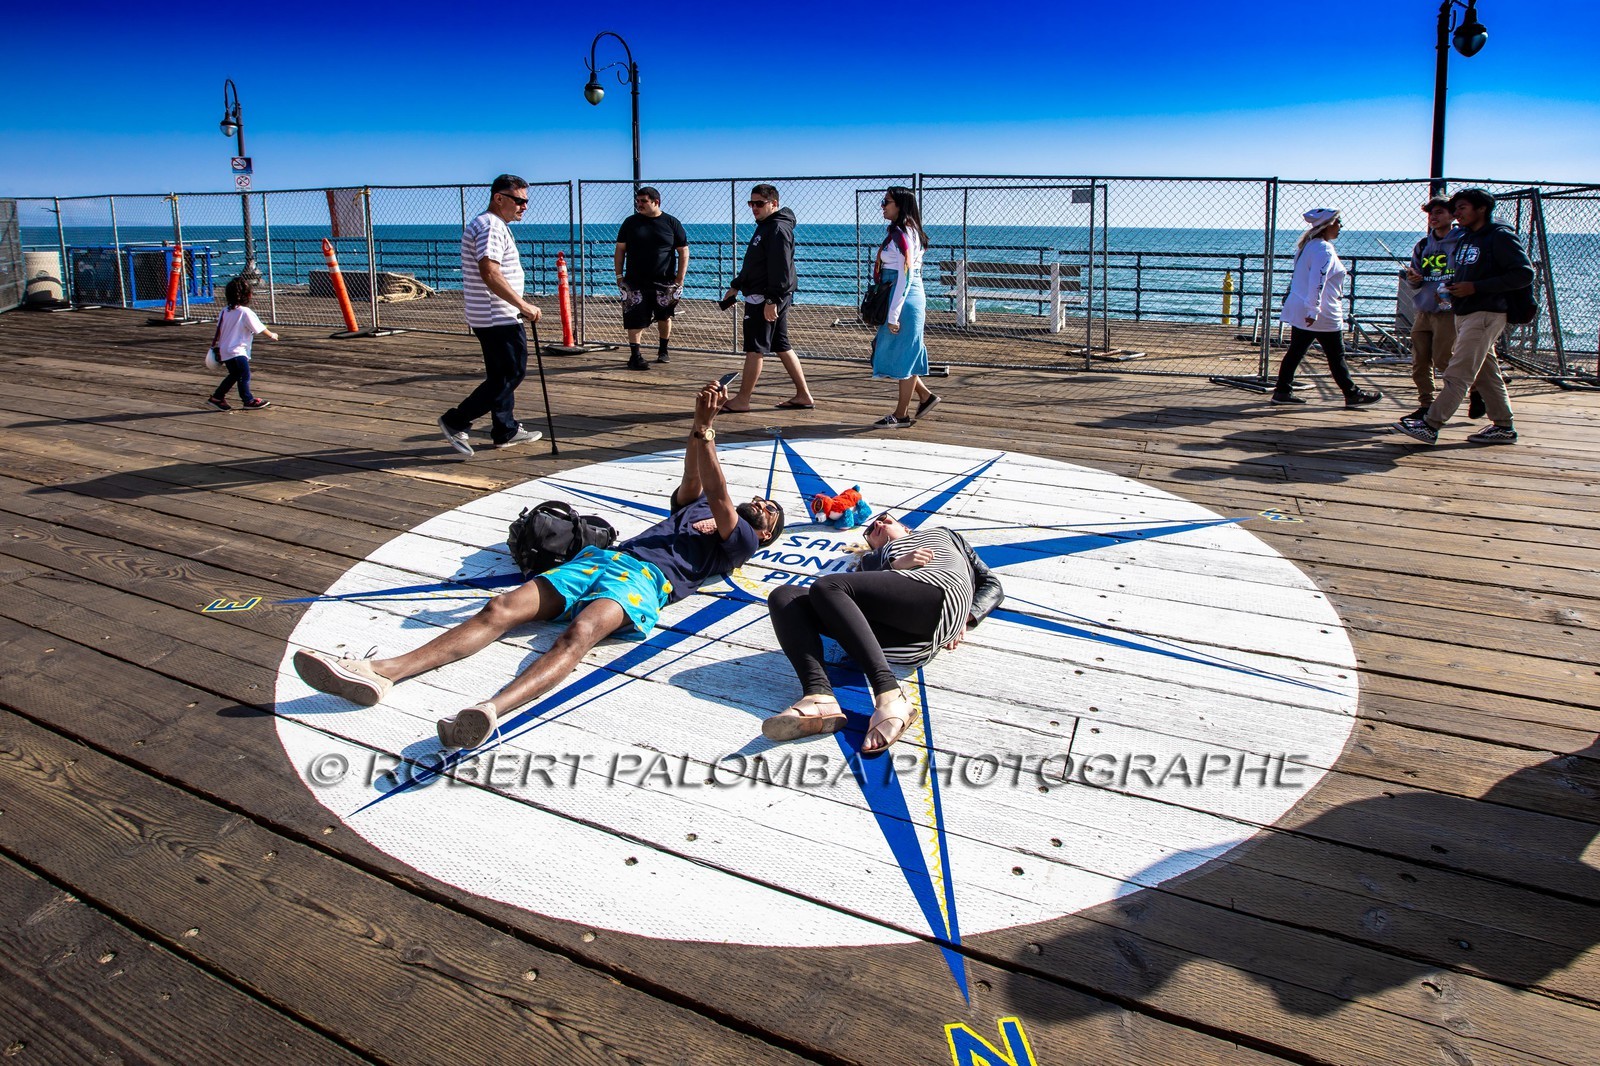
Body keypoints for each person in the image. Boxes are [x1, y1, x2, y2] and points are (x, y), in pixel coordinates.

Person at [296, 382, 784, 751]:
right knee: (500, 607)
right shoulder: (692, 510)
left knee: (580, 634)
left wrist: (707, 428)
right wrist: (697, 423)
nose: (760, 503)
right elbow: (695, 477)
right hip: (604, 558)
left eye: (769, 512)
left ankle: (489, 710)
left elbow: (722, 497)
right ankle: (382, 672)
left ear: (763, 535)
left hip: (644, 581)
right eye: (760, 499)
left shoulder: (739, 540)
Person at [763, 513, 1003, 756]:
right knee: (784, 596)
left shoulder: (943, 534)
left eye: (885, 519)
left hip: (938, 598)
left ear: (905, 527)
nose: (878, 524)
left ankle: (889, 695)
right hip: (900, 642)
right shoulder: (870, 562)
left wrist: (968, 614)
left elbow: (991, 583)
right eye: (871, 530)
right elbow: (846, 604)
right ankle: (819, 696)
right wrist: (893, 565)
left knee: (828, 585)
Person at [1395, 188, 1532, 446]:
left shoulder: (1499, 237)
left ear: (1481, 209)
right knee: (1486, 372)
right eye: (1455, 208)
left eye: (1462, 208)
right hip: (1464, 310)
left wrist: (1476, 288)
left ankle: (1431, 423)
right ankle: (1503, 426)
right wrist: (1449, 289)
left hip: (1486, 312)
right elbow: (1463, 271)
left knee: (1458, 370)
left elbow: (1523, 274)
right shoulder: (1468, 238)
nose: (1457, 213)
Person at [438, 174, 543, 457]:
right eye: (519, 201)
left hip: (488, 314)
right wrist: (523, 305)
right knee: (511, 372)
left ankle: (505, 430)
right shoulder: (491, 227)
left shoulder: (489, 224)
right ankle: (456, 420)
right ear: (499, 198)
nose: (524, 207)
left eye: (526, 201)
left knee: (500, 374)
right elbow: (490, 271)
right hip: (497, 315)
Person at [1269, 208, 1382, 410]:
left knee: (1295, 351)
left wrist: (1310, 309)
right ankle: (1352, 394)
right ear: (1328, 224)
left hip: (1304, 308)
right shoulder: (1324, 249)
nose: (1341, 228)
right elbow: (1317, 281)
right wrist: (1314, 310)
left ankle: (1283, 390)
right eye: (1339, 223)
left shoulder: (1307, 247)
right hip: (1322, 313)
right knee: (1335, 355)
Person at [721, 184, 816, 412]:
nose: (754, 207)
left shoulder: (776, 229)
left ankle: (743, 400)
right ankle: (804, 395)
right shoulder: (766, 226)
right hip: (766, 294)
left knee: (755, 348)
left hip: (765, 297)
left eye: (759, 203)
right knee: (781, 344)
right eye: (751, 203)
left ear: (774, 203)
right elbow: (755, 264)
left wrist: (772, 300)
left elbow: (781, 268)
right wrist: (736, 286)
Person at [870, 187, 940, 429]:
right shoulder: (903, 231)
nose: (882, 205)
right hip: (901, 295)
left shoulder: (905, 234)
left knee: (905, 353)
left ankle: (901, 415)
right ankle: (925, 396)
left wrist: (893, 314)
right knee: (894, 350)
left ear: (900, 205)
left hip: (904, 298)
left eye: (886, 201)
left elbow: (906, 276)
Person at [1401, 197, 1465, 419]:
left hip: (1449, 311)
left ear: (1452, 215)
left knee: (1443, 359)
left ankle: (1474, 390)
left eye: (1439, 212)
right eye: (1431, 214)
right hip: (1425, 309)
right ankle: (1426, 404)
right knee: (1419, 361)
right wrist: (1413, 278)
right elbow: (1414, 280)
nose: (1434, 218)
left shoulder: (1462, 242)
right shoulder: (1422, 245)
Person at [614, 186, 689, 371]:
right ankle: (635, 355)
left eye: (643, 201)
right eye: (637, 201)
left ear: (656, 202)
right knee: (634, 317)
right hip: (635, 281)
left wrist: (680, 277)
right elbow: (620, 249)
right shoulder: (630, 223)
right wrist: (619, 275)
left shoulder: (671, 223)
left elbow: (683, 250)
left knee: (664, 316)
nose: (639, 204)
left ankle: (663, 350)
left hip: (664, 281)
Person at [205, 276, 278, 411]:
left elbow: (220, 330)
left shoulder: (225, 311)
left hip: (225, 350)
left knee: (235, 375)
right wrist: (272, 335)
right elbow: (259, 327)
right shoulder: (245, 312)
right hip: (237, 351)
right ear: (248, 295)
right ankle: (248, 400)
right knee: (244, 375)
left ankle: (217, 397)